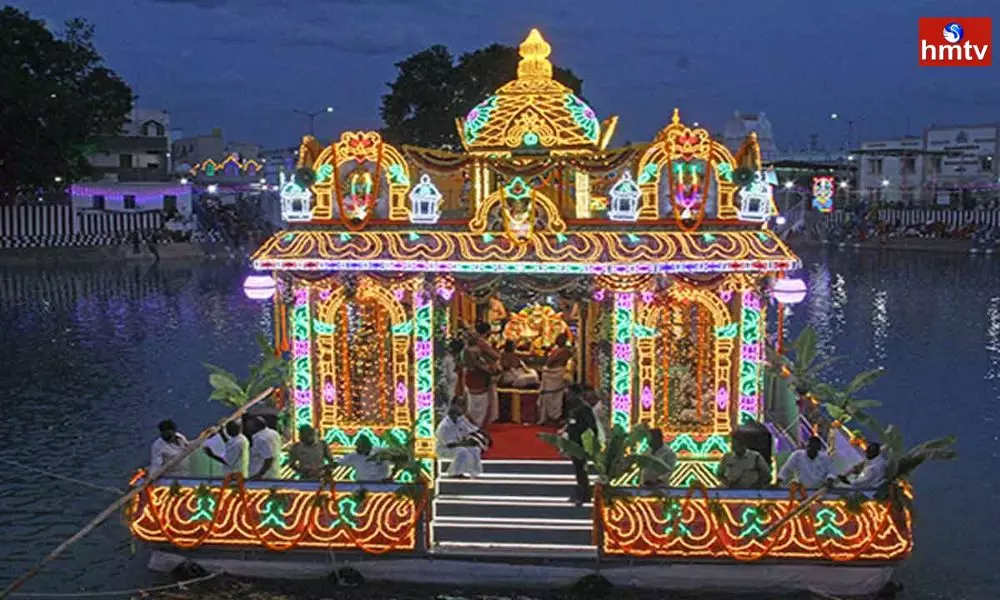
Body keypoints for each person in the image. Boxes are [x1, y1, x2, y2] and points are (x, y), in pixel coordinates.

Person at [563, 385, 597, 504]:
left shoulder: (584, 408)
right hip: (574, 441)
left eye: (569, 394)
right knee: (578, 470)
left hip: (582, 442)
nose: (567, 396)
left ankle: (584, 494)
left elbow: (591, 426)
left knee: (581, 470)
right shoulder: (573, 407)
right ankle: (582, 493)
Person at [435, 398, 483, 478]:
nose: (461, 407)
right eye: (459, 405)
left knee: (475, 449)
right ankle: (454, 473)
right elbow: (449, 444)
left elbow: (472, 429)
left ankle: (474, 472)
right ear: (453, 406)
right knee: (462, 451)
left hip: (458, 444)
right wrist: (466, 443)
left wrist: (481, 438)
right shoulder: (444, 426)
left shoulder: (460, 419)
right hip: (444, 449)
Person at [537, 332, 572, 426]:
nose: (558, 340)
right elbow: (549, 362)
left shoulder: (565, 351)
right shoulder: (556, 350)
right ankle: (546, 417)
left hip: (557, 375)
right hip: (550, 375)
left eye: (560, 339)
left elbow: (552, 362)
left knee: (555, 396)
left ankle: (555, 417)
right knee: (547, 396)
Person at [470, 321, 501, 424]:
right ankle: (478, 424)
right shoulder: (481, 343)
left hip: (474, 375)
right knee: (481, 402)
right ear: (488, 332)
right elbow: (496, 356)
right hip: (480, 375)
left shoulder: (475, 343)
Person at [463, 344, 493, 428]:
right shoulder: (466, 368)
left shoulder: (483, 365)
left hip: (482, 394)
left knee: (481, 419)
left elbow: (492, 373)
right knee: (471, 417)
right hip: (471, 395)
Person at [248, 416, 282, 480]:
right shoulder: (274, 433)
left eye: (250, 425)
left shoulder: (260, 439)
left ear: (256, 426)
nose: (248, 427)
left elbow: (269, 458)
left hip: (262, 478)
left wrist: (259, 474)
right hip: (275, 474)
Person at [439, 338, 465, 406]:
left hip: (463, 391)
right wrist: (445, 393)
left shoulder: (462, 360)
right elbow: (443, 378)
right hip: (451, 391)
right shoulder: (447, 360)